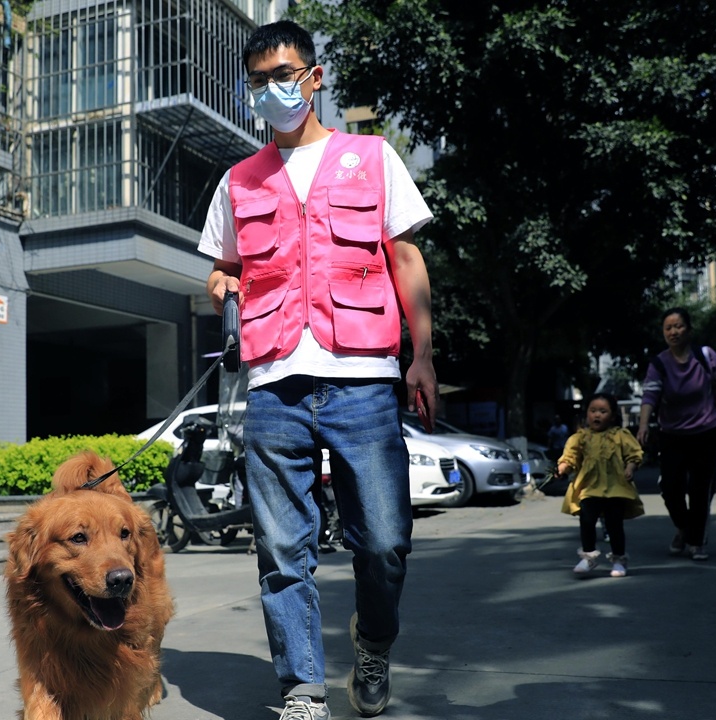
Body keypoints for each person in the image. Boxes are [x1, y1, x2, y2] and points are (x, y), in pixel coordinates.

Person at [198, 20, 437, 720]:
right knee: (281, 551)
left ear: (315, 77)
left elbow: (407, 260)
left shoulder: (372, 157)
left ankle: (373, 643)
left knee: (386, 542)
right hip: (274, 386)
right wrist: (220, 284)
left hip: (362, 379)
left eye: (286, 74)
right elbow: (223, 266)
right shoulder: (238, 180)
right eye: (260, 80)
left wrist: (421, 355)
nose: (275, 89)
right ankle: (302, 690)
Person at [636, 307, 716, 561]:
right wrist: (643, 425)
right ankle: (683, 527)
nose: (674, 331)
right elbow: (650, 395)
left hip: (707, 431)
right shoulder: (659, 363)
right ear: (663, 333)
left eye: (679, 326)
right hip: (672, 434)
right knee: (670, 487)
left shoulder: (705, 357)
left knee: (700, 489)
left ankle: (696, 540)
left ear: (689, 330)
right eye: (668, 328)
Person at [556, 394, 645, 578]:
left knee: (614, 525)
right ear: (587, 413)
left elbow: (634, 454)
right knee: (586, 520)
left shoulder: (621, 435)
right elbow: (570, 457)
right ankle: (588, 557)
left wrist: (630, 467)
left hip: (615, 487)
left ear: (612, 416)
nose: (597, 415)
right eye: (593, 411)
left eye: (603, 411)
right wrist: (562, 468)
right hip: (589, 487)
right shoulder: (580, 437)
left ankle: (619, 560)